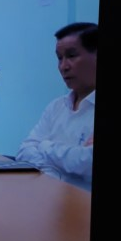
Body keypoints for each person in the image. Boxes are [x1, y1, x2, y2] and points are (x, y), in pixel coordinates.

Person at [16, 22, 97, 191]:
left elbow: (88, 163)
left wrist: (44, 146)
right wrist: (56, 174)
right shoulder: (56, 106)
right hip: (48, 194)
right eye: (60, 58)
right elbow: (24, 150)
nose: (63, 67)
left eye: (72, 56)